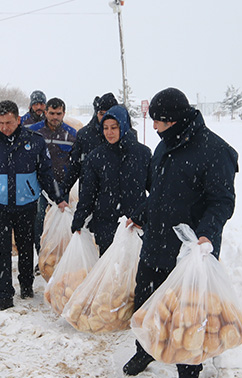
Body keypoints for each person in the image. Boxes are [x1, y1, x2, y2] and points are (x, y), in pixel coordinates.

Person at [124, 87, 238, 378]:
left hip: (189, 250)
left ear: (173, 120)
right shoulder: (164, 146)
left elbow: (222, 201)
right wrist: (141, 214)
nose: (154, 126)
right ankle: (145, 348)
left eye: (158, 121)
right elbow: (159, 194)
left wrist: (206, 235)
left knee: (188, 312)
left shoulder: (215, 151)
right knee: (146, 301)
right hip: (155, 242)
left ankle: (188, 370)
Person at [0, 100, 68, 311]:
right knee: (2, 250)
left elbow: (45, 173)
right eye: (0, 123)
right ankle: (3, 295)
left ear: (18, 120)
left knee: (26, 246)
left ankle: (26, 285)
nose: (4, 127)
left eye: (8, 123)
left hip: (26, 203)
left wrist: (58, 197)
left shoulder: (34, 141)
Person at [71, 104, 150, 255]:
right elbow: (88, 192)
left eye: (114, 127)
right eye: (105, 128)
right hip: (106, 223)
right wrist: (79, 218)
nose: (109, 132)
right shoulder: (96, 157)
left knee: (133, 273)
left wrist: (143, 214)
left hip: (135, 224)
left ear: (124, 126)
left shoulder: (142, 154)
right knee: (109, 274)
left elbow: (155, 189)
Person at [27, 97, 77, 256]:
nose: (55, 117)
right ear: (46, 113)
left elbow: (75, 162)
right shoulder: (33, 131)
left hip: (62, 184)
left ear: (64, 114)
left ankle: (59, 256)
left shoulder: (71, 134)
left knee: (61, 220)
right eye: (51, 113)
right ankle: (41, 255)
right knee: (39, 220)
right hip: (38, 185)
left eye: (58, 113)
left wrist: (68, 183)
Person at [64, 93, 115, 194]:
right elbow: (75, 166)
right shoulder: (84, 135)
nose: (104, 117)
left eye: (108, 113)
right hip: (89, 194)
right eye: (101, 113)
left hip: (115, 195)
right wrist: (62, 191)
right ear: (96, 113)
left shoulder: (126, 136)